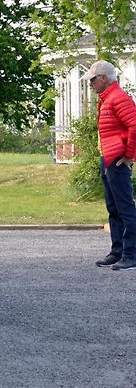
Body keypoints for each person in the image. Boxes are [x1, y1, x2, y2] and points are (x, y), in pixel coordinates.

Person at [81, 60, 136, 270]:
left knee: (125, 209)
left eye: (93, 80)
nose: (90, 84)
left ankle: (131, 255)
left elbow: (134, 126)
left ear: (103, 78)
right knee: (113, 208)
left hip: (118, 160)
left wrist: (130, 156)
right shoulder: (106, 99)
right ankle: (117, 252)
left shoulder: (119, 98)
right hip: (109, 158)